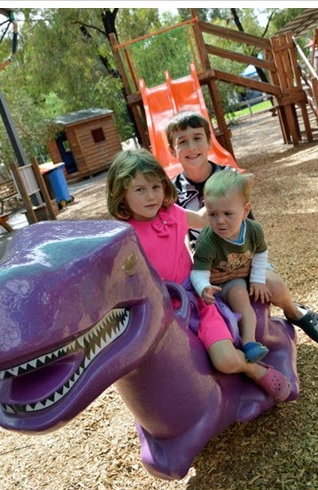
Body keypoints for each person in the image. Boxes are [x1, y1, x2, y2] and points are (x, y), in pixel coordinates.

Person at [106, 148, 291, 402]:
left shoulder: (172, 214)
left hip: (197, 299)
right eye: (140, 190)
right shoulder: (124, 235)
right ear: (121, 194)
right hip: (162, 312)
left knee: (225, 359)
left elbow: (205, 220)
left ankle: (253, 368)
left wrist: (235, 187)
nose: (151, 196)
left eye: (156, 187)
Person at [165, 110, 318, 345]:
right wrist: (201, 270)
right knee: (228, 301)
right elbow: (179, 235)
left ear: (209, 141)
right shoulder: (173, 193)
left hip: (244, 253)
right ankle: (246, 344)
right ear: (173, 151)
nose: (191, 147)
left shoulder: (230, 177)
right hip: (211, 264)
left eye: (197, 137)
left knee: (272, 285)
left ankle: (294, 311)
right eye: (182, 142)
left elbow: (249, 225)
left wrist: (251, 271)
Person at [191, 169, 271, 363]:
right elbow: (198, 273)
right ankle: (241, 343)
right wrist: (204, 287)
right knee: (232, 301)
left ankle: (251, 342)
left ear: (245, 211)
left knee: (253, 295)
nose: (220, 221)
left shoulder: (253, 230)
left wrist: (258, 279)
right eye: (212, 214)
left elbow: (261, 252)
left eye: (228, 213)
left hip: (236, 276)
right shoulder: (208, 242)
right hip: (219, 284)